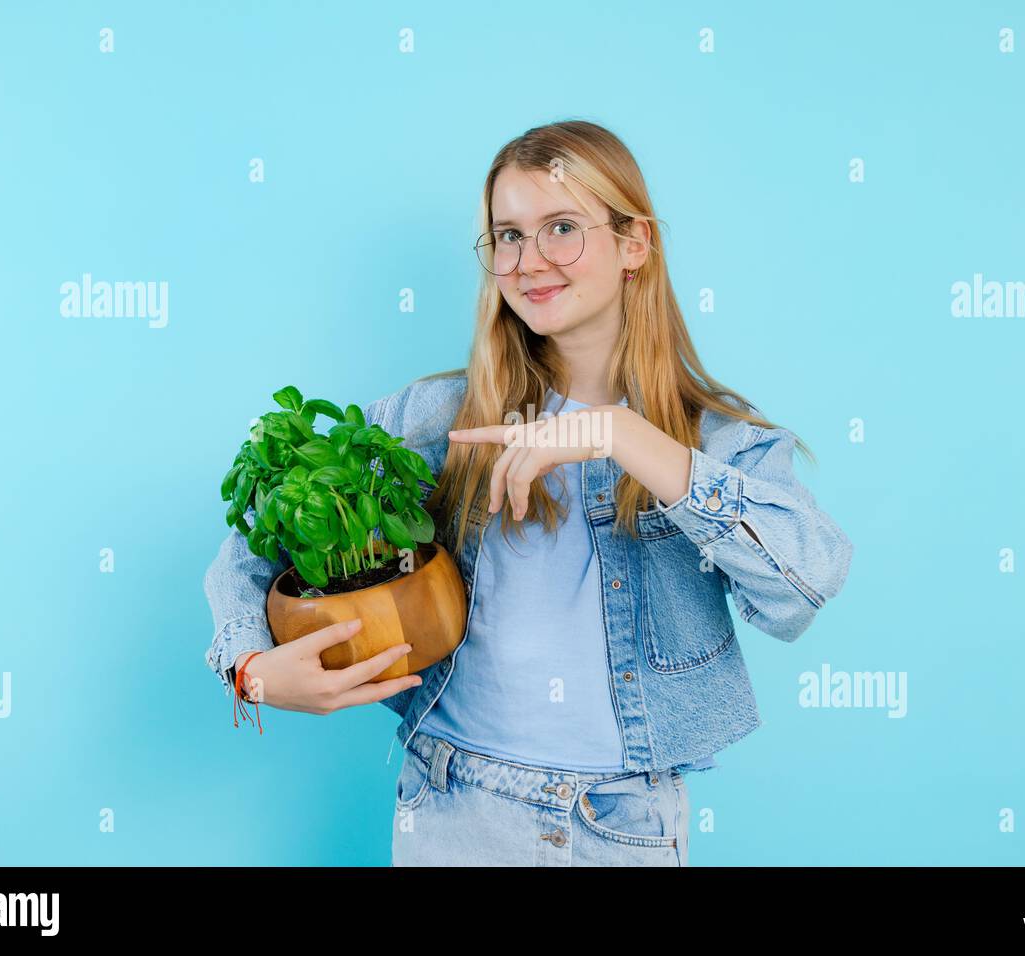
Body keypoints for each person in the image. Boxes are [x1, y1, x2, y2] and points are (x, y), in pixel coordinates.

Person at [203, 119, 854, 866]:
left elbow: (804, 584)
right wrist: (250, 670)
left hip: (618, 824)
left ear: (634, 243)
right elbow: (257, 537)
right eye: (507, 235)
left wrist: (622, 435)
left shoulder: (713, 442)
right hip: (451, 806)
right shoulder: (438, 418)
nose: (530, 260)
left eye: (562, 228)